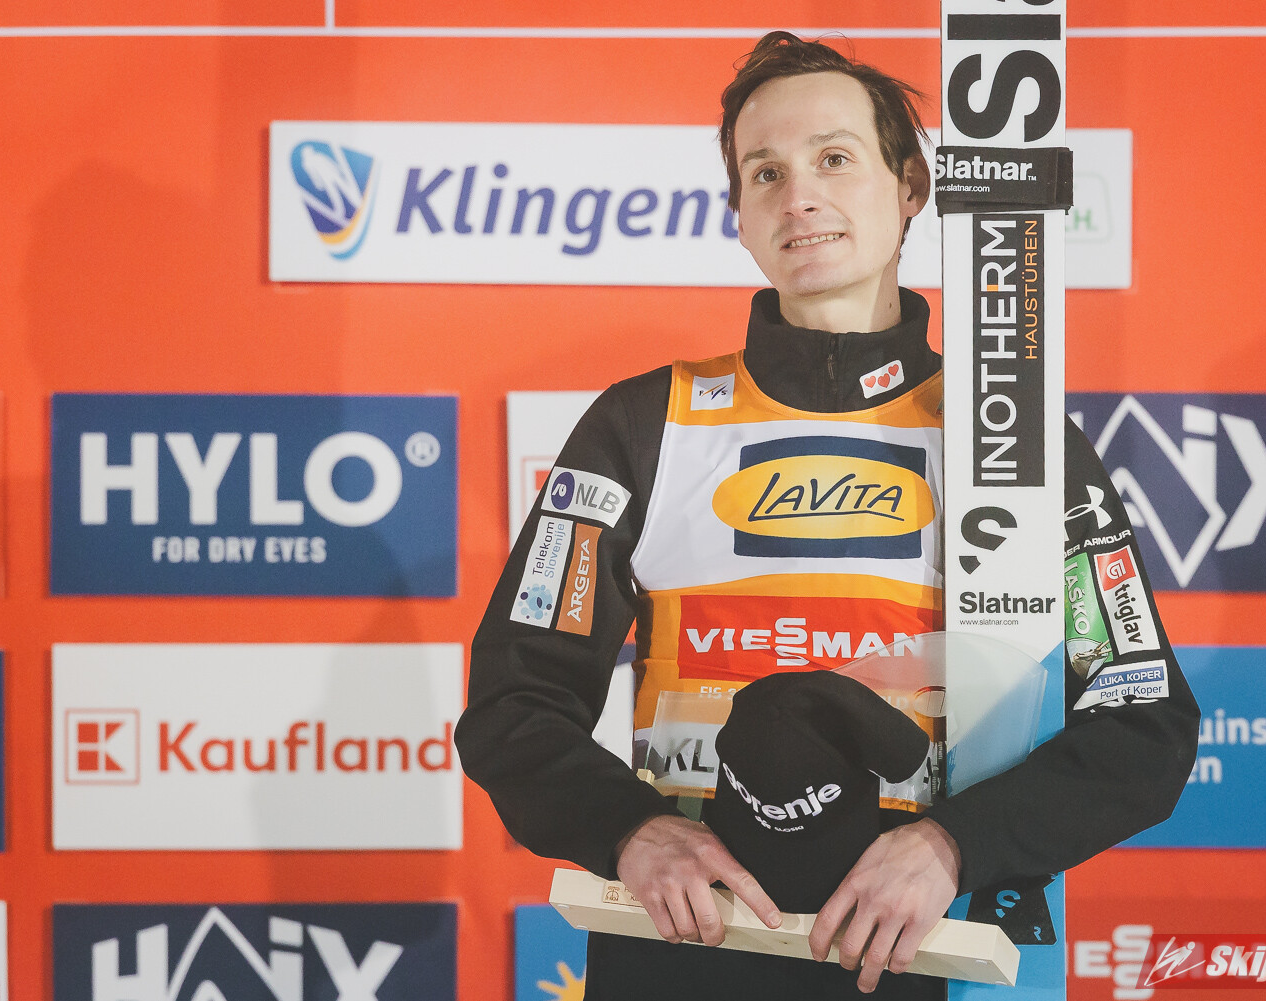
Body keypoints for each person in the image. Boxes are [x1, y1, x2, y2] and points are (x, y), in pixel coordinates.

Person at [457, 31, 1199, 999]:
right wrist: (628, 827)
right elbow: (513, 701)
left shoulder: (1012, 439)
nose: (798, 196)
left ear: (911, 186)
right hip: (686, 945)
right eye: (765, 172)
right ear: (739, 215)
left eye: (834, 159)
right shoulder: (645, 423)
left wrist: (952, 843)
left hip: (926, 949)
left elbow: (1142, 718)